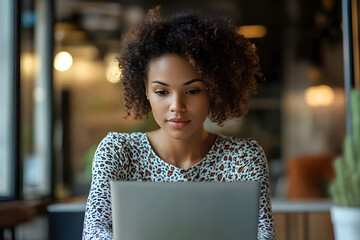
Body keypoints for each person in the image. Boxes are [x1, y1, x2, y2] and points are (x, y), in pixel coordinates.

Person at [82, 6, 275, 240]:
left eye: (192, 91)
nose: (176, 106)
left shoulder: (244, 158)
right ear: (145, 89)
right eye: (162, 92)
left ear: (213, 90)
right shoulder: (118, 151)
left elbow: (263, 235)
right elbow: (95, 233)